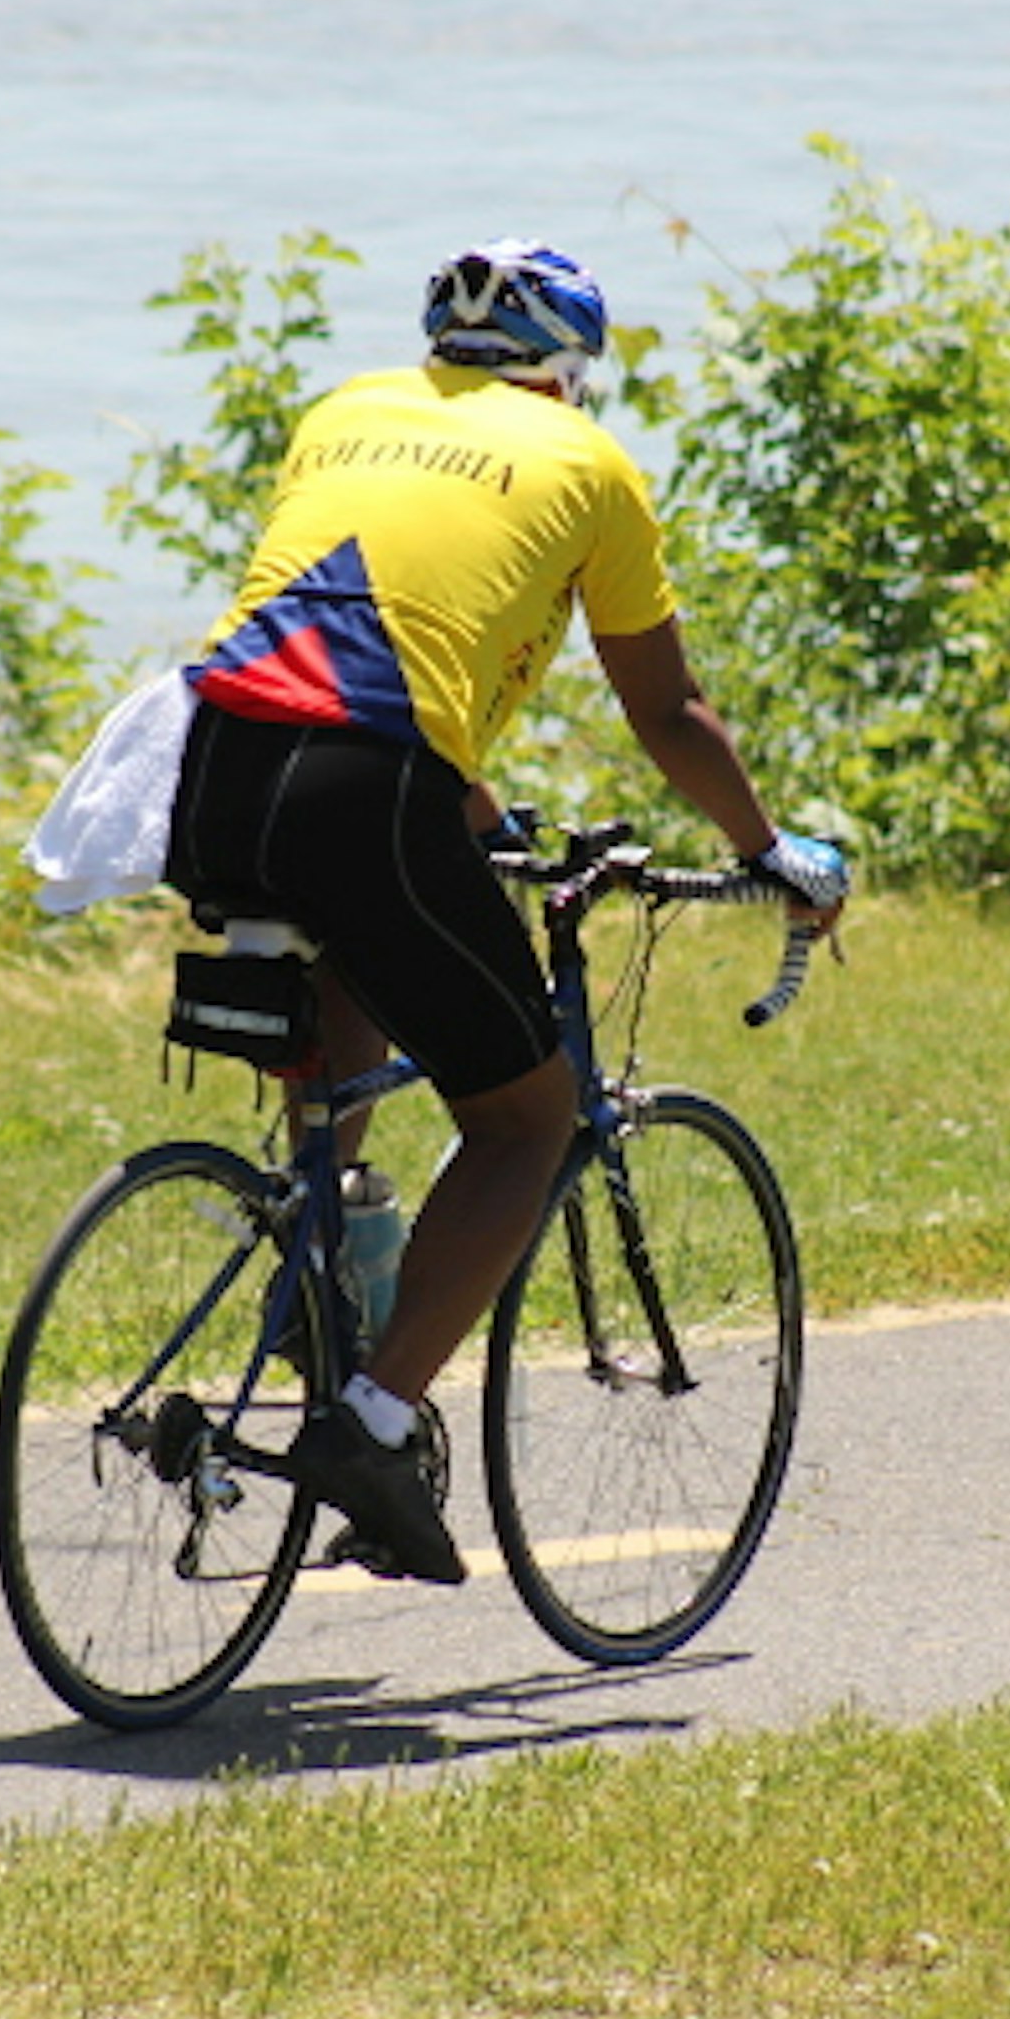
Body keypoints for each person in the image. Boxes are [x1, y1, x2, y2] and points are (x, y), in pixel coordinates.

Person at [163, 240, 848, 1585]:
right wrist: (770, 849)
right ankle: (368, 1423)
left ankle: (331, 1255)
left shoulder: (346, 411)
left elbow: (366, 629)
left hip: (220, 767)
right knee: (527, 1119)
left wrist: (474, 816)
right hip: (368, 784)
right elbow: (666, 711)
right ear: (570, 371)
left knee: (361, 959)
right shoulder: (590, 466)